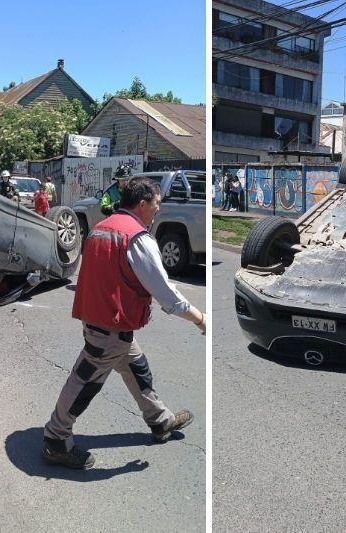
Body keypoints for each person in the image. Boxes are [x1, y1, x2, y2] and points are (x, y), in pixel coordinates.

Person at [42, 177, 208, 469]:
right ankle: (56, 440)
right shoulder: (137, 237)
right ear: (142, 204)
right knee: (83, 383)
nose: (158, 209)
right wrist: (199, 318)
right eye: (156, 204)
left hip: (100, 321)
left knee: (136, 367)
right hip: (110, 329)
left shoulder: (101, 228)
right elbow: (165, 292)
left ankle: (160, 421)